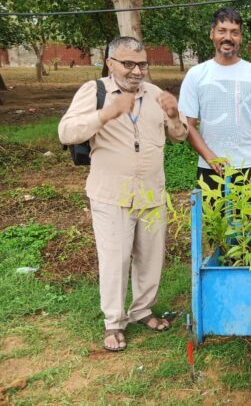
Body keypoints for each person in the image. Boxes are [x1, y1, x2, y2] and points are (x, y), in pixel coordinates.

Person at [58, 36, 189, 352]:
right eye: (128, 63)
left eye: (142, 63)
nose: (136, 71)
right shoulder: (95, 92)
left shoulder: (155, 94)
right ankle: (114, 323)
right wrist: (106, 113)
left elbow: (180, 136)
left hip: (151, 193)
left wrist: (173, 115)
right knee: (115, 261)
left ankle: (142, 311)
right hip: (111, 194)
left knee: (150, 259)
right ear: (110, 63)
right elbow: (66, 132)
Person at [178, 7, 251, 189]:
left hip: (249, 167)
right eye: (222, 31)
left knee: (249, 218)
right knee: (212, 218)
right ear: (212, 33)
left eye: (234, 33)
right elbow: (187, 124)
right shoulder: (196, 75)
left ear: (241, 38)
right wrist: (210, 157)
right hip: (210, 168)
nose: (228, 37)